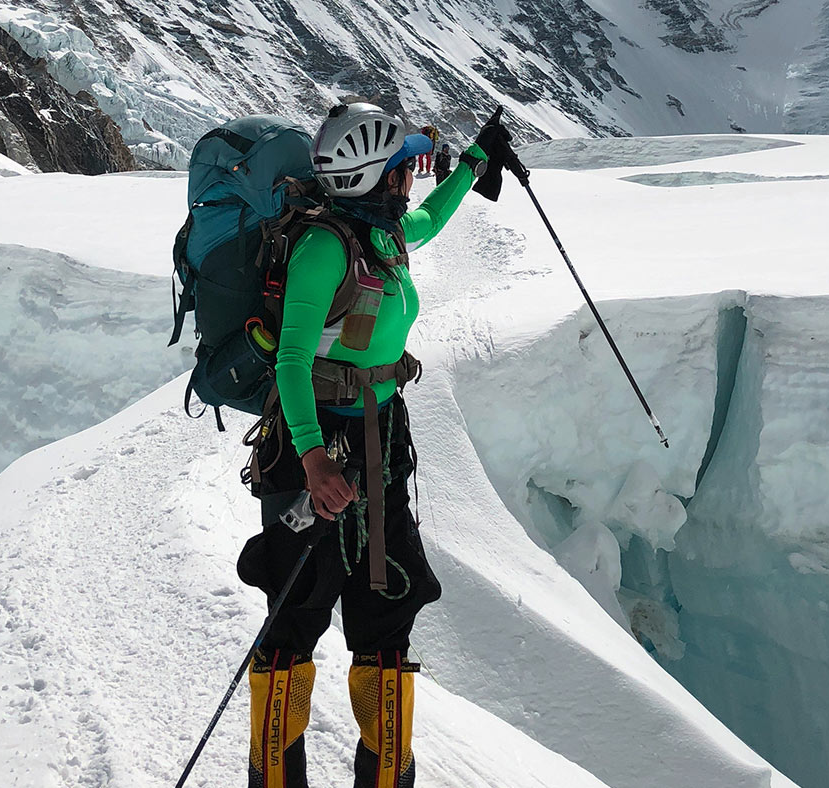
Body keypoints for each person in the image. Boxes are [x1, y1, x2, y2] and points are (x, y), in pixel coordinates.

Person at [240, 102, 510, 788]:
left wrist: (476, 162)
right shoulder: (326, 247)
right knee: (295, 615)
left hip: (380, 436)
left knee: (384, 608)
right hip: (317, 446)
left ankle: (387, 778)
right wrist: (311, 457)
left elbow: (429, 219)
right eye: (401, 170)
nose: (410, 183)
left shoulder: (380, 235)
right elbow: (292, 361)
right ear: (373, 177)